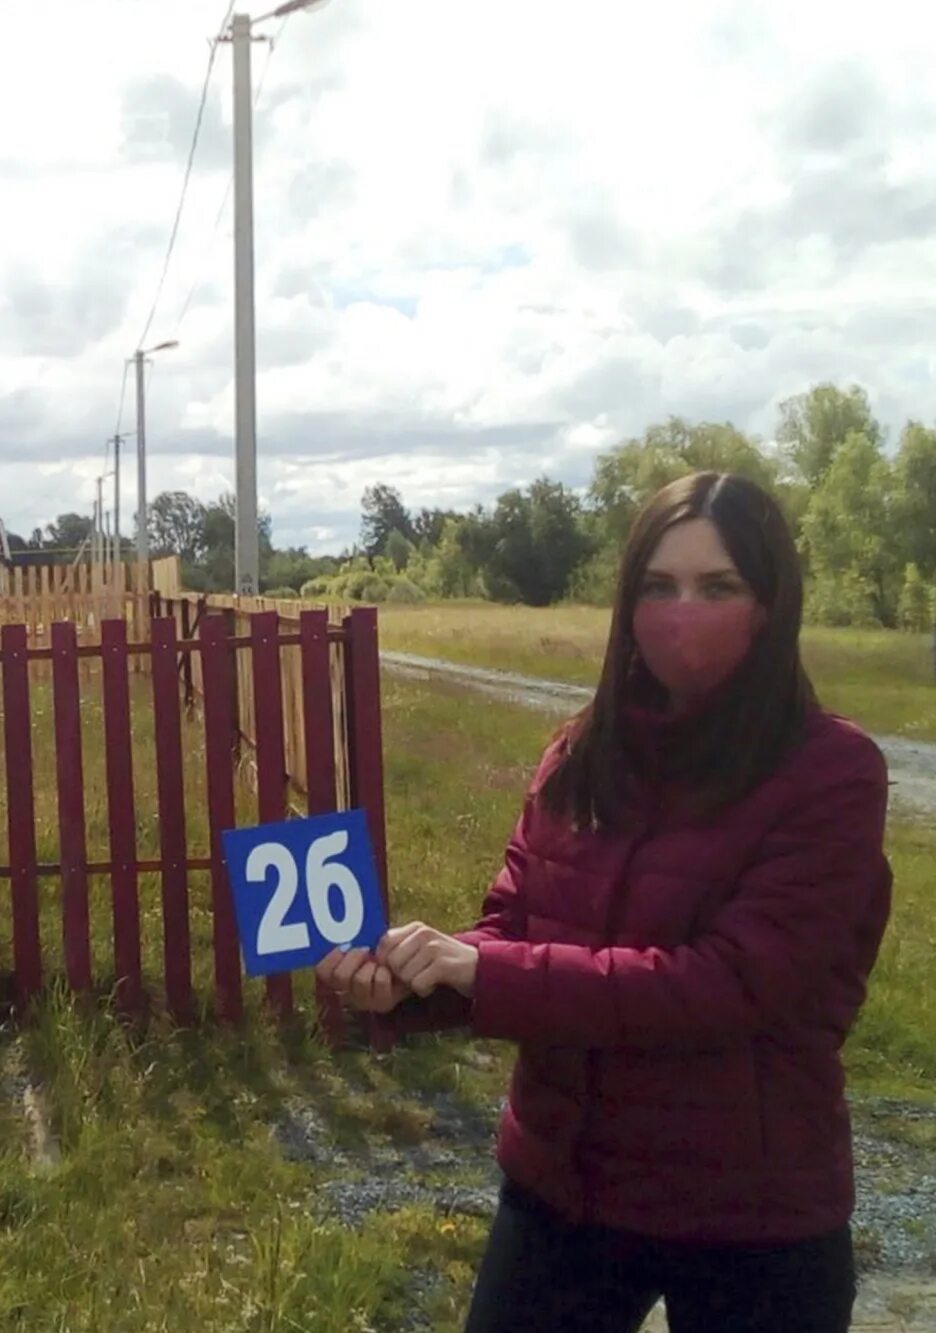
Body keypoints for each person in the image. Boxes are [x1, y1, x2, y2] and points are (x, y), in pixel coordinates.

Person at [319, 471, 892, 1333]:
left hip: (753, 1212)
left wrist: (486, 968)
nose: (682, 611)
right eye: (658, 585)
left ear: (770, 604)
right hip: (564, 1185)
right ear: (626, 603)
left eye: (718, 585)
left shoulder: (830, 772)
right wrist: (413, 981)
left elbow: (731, 983)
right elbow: (513, 929)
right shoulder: (578, 753)